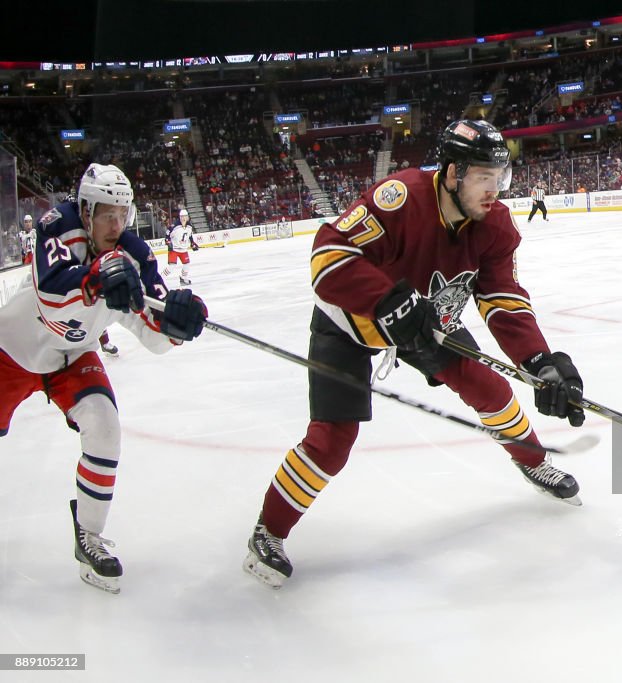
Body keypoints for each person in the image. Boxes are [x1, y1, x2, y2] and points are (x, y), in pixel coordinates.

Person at [243, 119, 586, 589]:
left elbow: (501, 296)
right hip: (349, 322)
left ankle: (532, 461)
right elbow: (328, 257)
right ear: (451, 174)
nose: (495, 190)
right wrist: (385, 299)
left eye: (500, 178)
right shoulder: (400, 198)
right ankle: (270, 530)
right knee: (331, 441)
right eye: (484, 177)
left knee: (492, 389)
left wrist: (540, 361)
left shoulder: (496, 225)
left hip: (424, 322)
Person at [0, 163, 208, 594]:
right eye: (106, 214)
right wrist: (94, 281)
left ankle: (89, 537)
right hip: (13, 350)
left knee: (105, 427)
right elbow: (53, 298)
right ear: (86, 209)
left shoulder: (135, 255)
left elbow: (155, 333)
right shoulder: (59, 225)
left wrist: (176, 325)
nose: (115, 225)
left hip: (72, 357)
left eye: (122, 214)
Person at [162, 209, 199, 286]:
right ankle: (160, 279)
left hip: (183, 249)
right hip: (174, 249)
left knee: (187, 264)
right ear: (179, 217)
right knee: (172, 266)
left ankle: (183, 278)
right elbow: (167, 233)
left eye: (185, 216)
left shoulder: (189, 226)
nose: (183, 218)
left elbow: (190, 235)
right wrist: (168, 241)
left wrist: (192, 243)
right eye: (182, 216)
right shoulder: (175, 226)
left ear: (188, 217)